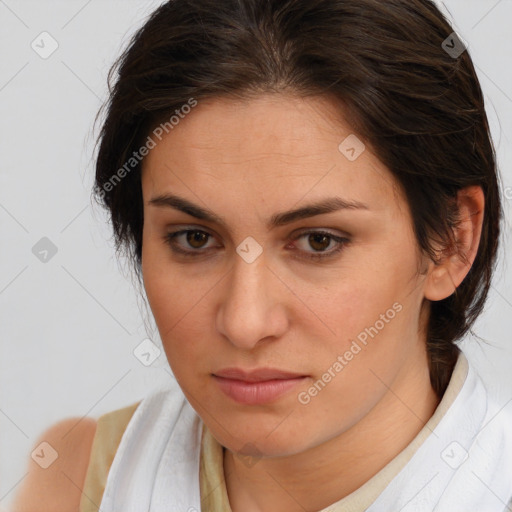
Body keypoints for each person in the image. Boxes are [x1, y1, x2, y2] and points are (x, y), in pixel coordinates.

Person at [12, 0, 512, 511]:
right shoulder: (71, 482)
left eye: (319, 241)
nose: (245, 323)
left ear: (452, 241)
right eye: (194, 239)